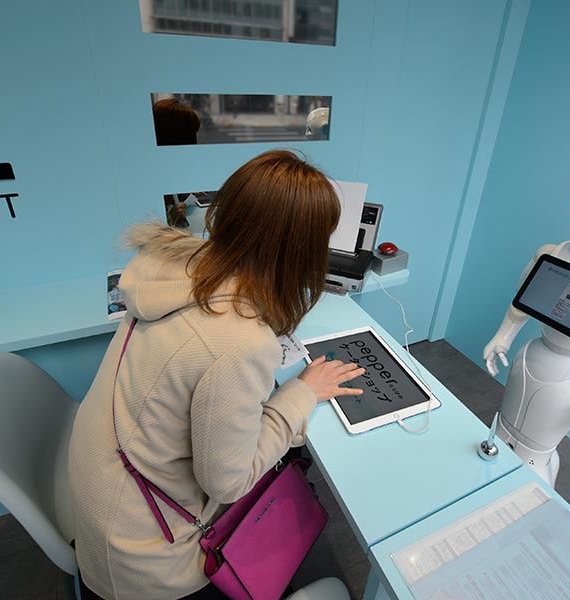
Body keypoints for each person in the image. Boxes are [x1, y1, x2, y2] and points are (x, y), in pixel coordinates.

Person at [69, 150, 364, 600]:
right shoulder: (240, 344)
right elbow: (228, 482)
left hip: (107, 508)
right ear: (300, 252)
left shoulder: (174, 267)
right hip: (146, 565)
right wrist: (303, 393)